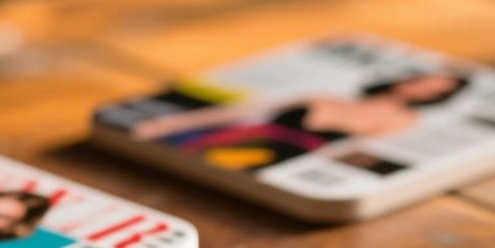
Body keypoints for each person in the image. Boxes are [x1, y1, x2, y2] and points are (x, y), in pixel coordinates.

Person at [129, 72, 470, 171]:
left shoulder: (403, 121)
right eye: (424, 79)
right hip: (229, 138)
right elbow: (232, 113)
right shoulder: (322, 96)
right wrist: (163, 126)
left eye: (435, 89)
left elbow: (351, 154)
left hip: (270, 165)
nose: (422, 88)